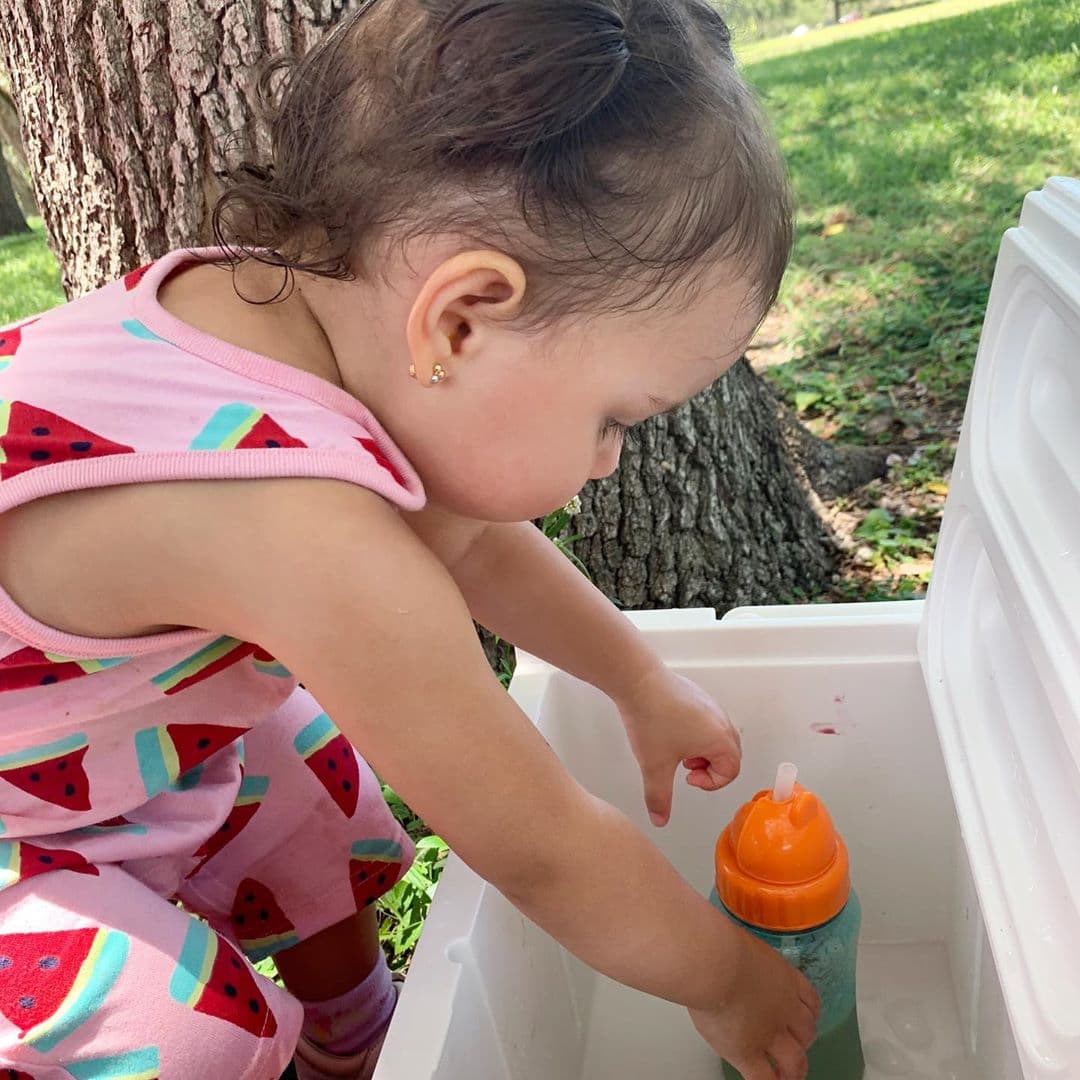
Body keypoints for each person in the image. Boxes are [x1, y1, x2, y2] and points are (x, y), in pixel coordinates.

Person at [0, 1, 819, 1077]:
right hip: (23, 830)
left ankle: (356, 1039)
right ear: (462, 319)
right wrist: (725, 978)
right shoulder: (297, 528)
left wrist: (636, 677)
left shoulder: (270, 311)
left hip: (108, 747)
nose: (613, 458)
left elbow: (473, 545)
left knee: (313, 778)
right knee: (187, 1040)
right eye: (615, 417)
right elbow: (540, 845)